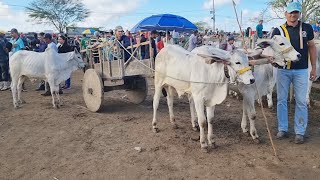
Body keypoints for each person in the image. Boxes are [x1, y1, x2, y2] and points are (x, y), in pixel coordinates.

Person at [271, 1, 317, 144]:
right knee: (281, 100)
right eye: (290, 12)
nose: (293, 15)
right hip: (283, 70)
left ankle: (300, 131)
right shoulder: (278, 30)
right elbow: (272, 49)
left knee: (302, 101)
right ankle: (283, 128)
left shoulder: (307, 28)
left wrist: (313, 67)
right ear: (285, 14)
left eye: (295, 12)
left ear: (299, 14)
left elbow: (311, 47)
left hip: (302, 70)